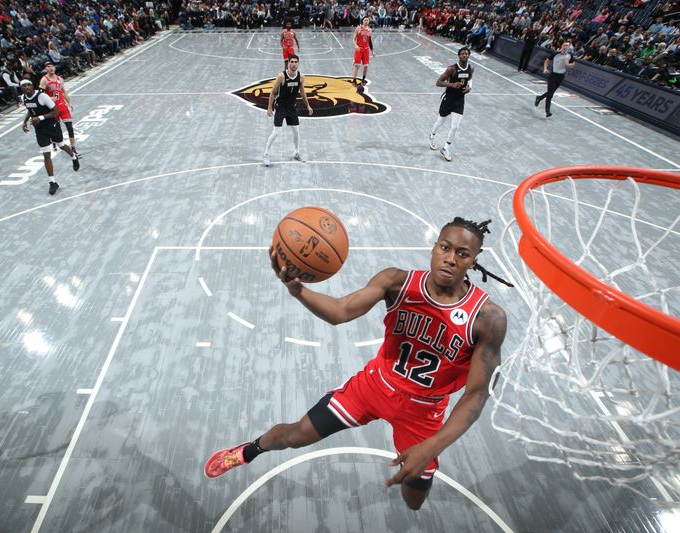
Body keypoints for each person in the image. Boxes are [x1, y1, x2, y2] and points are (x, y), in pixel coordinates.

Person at [205, 217, 510, 511]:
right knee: (295, 435)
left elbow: (477, 394)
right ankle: (247, 451)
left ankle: (419, 467)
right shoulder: (397, 282)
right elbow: (340, 311)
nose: (450, 258)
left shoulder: (487, 318)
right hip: (374, 387)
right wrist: (298, 290)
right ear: (434, 247)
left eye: (462, 254)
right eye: (444, 247)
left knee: (413, 500)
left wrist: (433, 446)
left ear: (474, 260)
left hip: (423, 412)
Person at [20, 79, 80, 195]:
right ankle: (52, 182)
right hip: (40, 129)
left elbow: (56, 112)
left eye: (28, 85)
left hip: (52, 125)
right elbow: (30, 110)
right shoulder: (24, 98)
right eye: (24, 86)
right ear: (21, 88)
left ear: (33, 86)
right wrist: (25, 122)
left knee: (61, 145)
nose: (26, 87)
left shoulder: (42, 96)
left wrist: (40, 118)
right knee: (46, 154)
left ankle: (74, 157)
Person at [263, 54, 313, 167]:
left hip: (291, 107)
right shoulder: (281, 76)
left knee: (296, 131)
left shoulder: (301, 77)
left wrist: (308, 106)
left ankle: (296, 152)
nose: (294, 64)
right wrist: (269, 107)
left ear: (298, 63)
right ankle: (266, 154)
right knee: (276, 132)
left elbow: (303, 92)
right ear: (288, 63)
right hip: (280, 107)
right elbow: (272, 92)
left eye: (296, 62)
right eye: (292, 62)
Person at [429, 47, 473, 162]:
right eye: (462, 54)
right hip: (448, 99)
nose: (465, 55)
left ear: (469, 56)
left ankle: (446, 148)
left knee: (455, 126)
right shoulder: (452, 69)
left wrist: (469, 88)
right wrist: (452, 85)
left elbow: (470, 80)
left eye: (466, 54)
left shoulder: (470, 68)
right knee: (440, 121)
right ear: (458, 56)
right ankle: (432, 135)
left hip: (459, 100)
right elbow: (438, 82)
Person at [39, 61, 80, 157]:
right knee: (56, 129)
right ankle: (54, 142)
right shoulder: (44, 80)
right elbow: (40, 95)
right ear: (46, 69)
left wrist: (69, 102)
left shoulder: (60, 79)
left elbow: (64, 92)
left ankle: (73, 147)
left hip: (62, 106)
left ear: (55, 67)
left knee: (70, 127)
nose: (51, 68)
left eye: (52, 66)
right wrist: (49, 99)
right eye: (48, 66)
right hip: (53, 109)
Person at [535, 41, 575, 118]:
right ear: (562, 46)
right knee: (550, 95)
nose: (565, 46)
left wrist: (568, 65)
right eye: (564, 45)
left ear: (568, 47)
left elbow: (573, 64)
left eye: (567, 45)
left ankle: (539, 97)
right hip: (553, 76)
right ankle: (547, 112)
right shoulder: (556, 54)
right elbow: (547, 60)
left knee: (551, 92)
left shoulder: (570, 55)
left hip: (561, 77)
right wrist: (545, 68)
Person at [352, 16, 376, 85]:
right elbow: (353, 39)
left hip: (366, 50)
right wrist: (356, 45)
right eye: (365, 20)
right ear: (363, 21)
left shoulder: (369, 30)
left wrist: (372, 51)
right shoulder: (358, 28)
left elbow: (370, 41)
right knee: (357, 66)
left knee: (366, 65)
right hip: (359, 49)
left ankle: (363, 79)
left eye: (367, 20)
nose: (366, 21)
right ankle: (354, 80)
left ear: (369, 21)